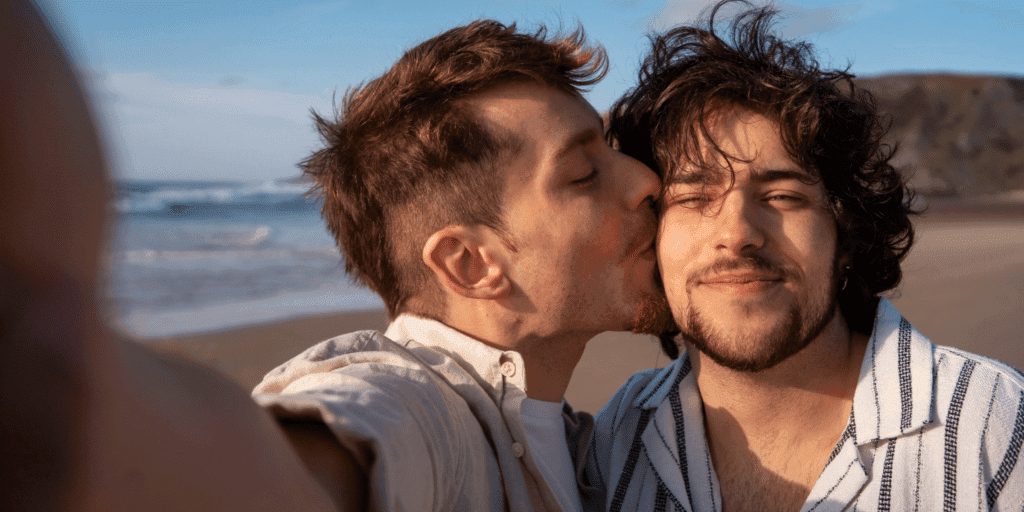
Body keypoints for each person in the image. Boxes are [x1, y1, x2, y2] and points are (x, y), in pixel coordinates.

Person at [1, 2, 666, 510]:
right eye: (583, 174)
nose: (646, 181)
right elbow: (301, 462)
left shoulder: (590, 448)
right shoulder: (423, 409)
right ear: (469, 263)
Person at [587, 2, 1024, 511]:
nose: (737, 234)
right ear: (651, 239)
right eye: (694, 197)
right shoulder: (616, 440)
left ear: (846, 235)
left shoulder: (991, 427)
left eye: (782, 196)